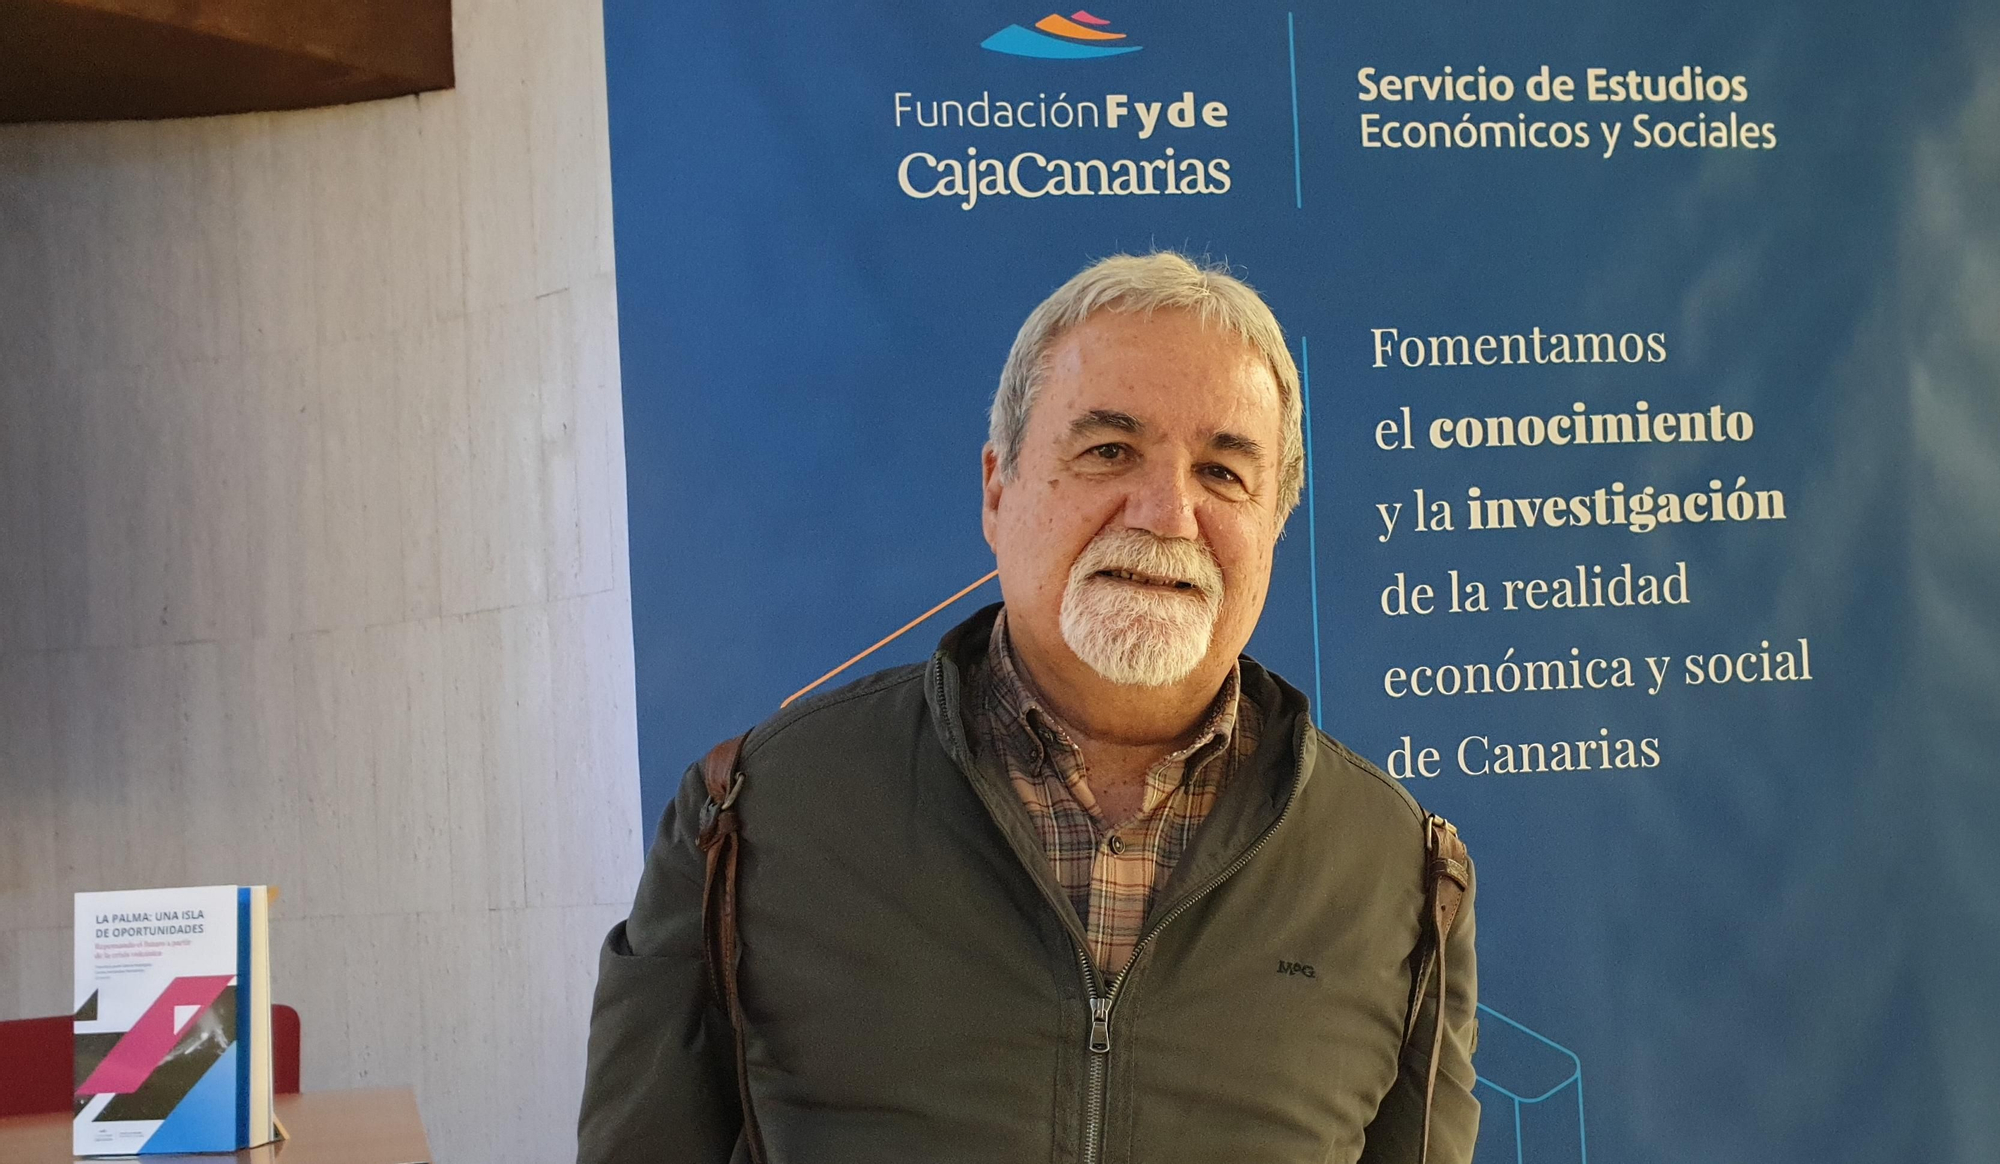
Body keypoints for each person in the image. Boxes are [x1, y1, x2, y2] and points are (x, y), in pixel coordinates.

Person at [578, 252, 1479, 1164]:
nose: (1167, 513)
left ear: (1274, 525)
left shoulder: (1400, 877)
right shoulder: (753, 818)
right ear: (996, 490)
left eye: (1221, 472)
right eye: (1109, 451)